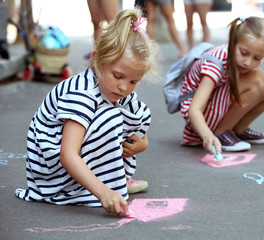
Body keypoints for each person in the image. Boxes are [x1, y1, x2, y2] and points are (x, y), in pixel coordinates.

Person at [15, 8, 159, 216]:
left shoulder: (116, 90)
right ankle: (102, 186)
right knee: (109, 118)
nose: (124, 87)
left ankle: (112, 180)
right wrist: (103, 193)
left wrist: (143, 143)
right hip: (52, 175)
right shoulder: (81, 94)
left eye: (133, 81)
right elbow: (67, 154)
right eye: (118, 76)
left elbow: (136, 116)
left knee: (136, 110)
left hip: (70, 159)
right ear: (96, 61)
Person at [180, 16, 264, 155]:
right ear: (232, 41)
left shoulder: (241, 58)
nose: (248, 62)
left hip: (216, 106)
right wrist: (207, 135)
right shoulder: (216, 63)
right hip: (202, 120)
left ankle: (238, 129)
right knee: (257, 79)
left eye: (257, 58)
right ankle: (221, 133)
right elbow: (194, 109)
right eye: (244, 53)